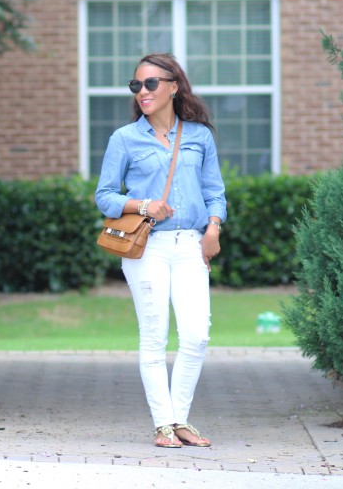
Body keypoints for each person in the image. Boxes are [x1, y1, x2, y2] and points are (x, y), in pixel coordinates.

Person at [95, 53, 227, 448]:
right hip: (147, 246)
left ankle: (180, 418)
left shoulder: (199, 136)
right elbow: (104, 197)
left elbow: (215, 192)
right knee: (154, 336)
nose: (143, 92)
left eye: (151, 83)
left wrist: (213, 229)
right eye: (136, 86)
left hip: (191, 244)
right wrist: (143, 205)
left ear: (174, 86)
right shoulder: (124, 138)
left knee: (196, 334)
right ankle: (163, 424)